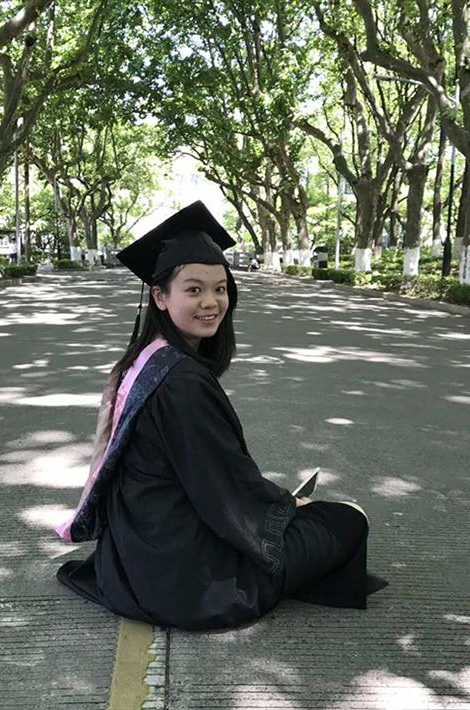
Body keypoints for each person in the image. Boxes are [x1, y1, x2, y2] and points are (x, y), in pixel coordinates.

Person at [55, 201, 386, 630]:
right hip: (188, 585)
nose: (211, 302)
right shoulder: (181, 381)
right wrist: (288, 505)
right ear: (159, 296)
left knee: (300, 519)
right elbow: (224, 488)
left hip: (131, 560)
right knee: (348, 518)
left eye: (220, 289)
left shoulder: (143, 361)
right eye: (193, 290)